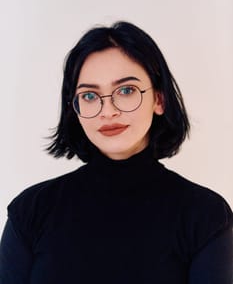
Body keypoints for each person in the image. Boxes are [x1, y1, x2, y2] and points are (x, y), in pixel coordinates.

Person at [0, 21, 232, 283]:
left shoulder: (205, 216)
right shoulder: (30, 211)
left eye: (126, 91)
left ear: (159, 99)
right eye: (89, 95)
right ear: (74, 109)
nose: (108, 111)